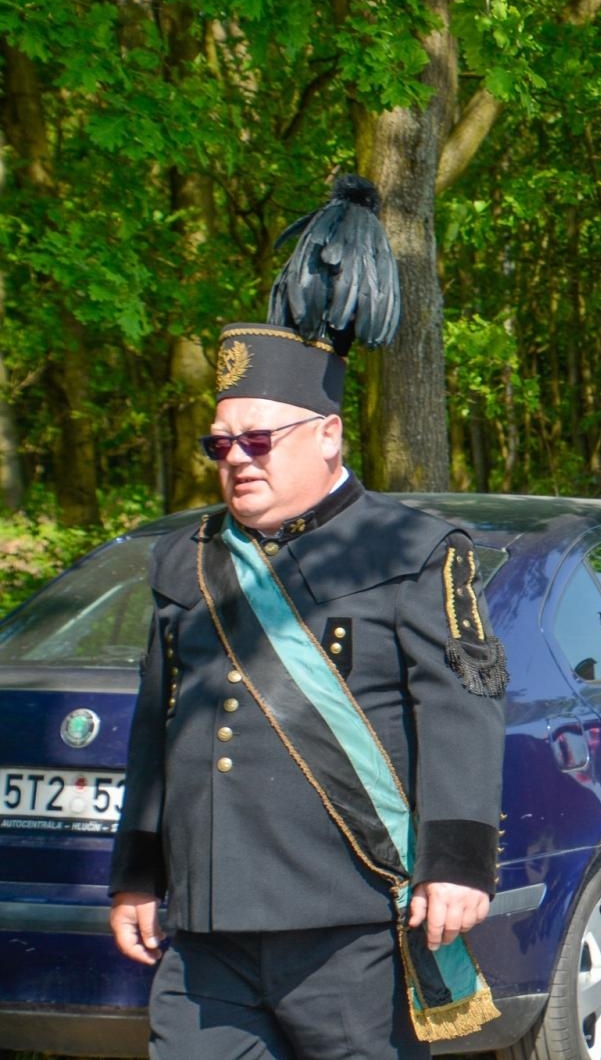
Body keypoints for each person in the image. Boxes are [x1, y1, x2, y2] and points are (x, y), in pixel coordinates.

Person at [108, 179, 508, 1059]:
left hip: (350, 922)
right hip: (208, 928)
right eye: (222, 444)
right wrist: (137, 877)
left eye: (260, 440)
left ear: (328, 434)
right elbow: (156, 728)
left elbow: (461, 710)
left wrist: (456, 864)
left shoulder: (410, 549)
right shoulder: (188, 562)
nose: (237, 461)